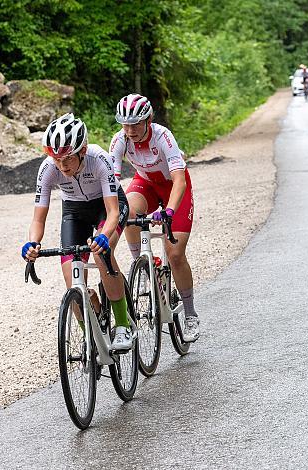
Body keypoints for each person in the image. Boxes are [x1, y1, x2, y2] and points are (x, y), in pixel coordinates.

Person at [22, 113, 133, 350]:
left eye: (67, 159)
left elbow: (113, 212)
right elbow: (38, 218)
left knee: (102, 254)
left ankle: (123, 325)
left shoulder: (99, 159)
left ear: (82, 150)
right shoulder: (48, 169)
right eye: (56, 160)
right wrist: (32, 243)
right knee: (72, 281)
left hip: (107, 206)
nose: (62, 166)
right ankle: (89, 337)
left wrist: (104, 236)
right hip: (74, 211)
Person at [109, 93, 199, 342]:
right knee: (126, 210)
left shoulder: (163, 136)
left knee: (176, 254)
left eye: (136, 123)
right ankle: (143, 264)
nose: (130, 130)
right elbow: (113, 184)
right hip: (146, 184)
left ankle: (190, 314)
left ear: (148, 119)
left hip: (173, 187)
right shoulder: (120, 140)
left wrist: (168, 211)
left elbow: (179, 179)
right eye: (125, 124)